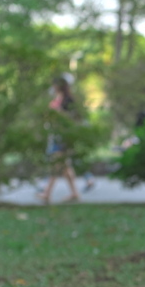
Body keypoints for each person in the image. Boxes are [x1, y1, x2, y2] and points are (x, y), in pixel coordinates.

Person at [38, 73, 91, 204]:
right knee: (66, 167)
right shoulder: (57, 98)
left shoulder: (68, 100)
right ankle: (75, 193)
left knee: (57, 164)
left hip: (63, 136)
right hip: (55, 134)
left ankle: (47, 193)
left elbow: (73, 118)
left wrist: (58, 114)